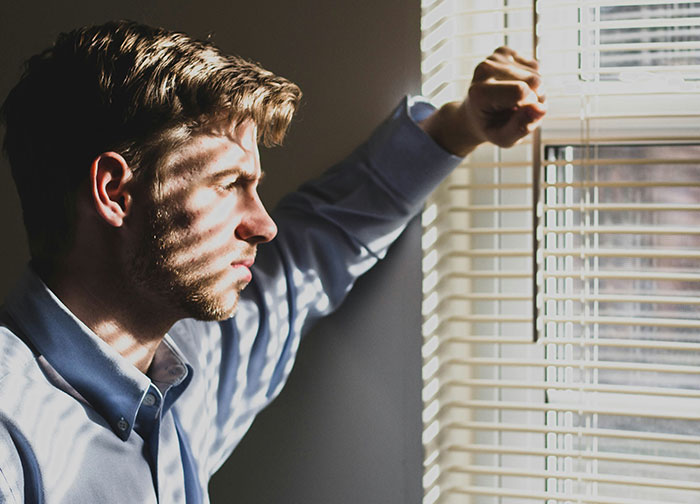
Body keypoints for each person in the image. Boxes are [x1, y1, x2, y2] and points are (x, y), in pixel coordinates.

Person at [0, 20, 545, 504]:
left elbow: (317, 245)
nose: (264, 224)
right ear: (116, 192)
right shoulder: (12, 440)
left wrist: (457, 128)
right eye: (229, 184)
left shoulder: (188, 364)